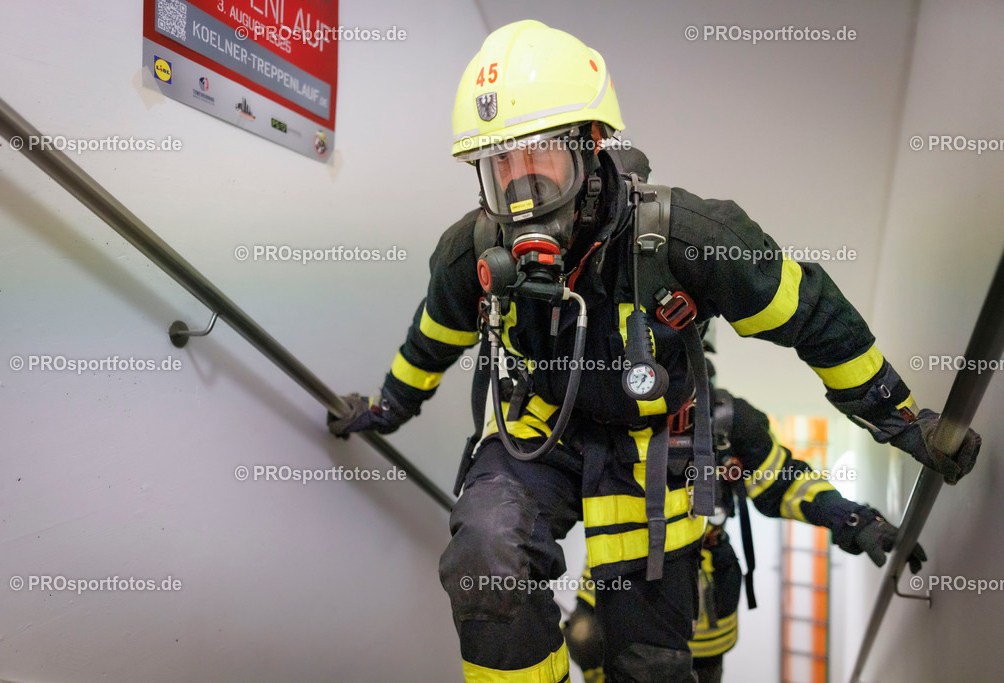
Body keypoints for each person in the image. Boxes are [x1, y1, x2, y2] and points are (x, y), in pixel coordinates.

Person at [327, 20, 980, 682]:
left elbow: (811, 315)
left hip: (651, 456)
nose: (522, 193)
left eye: (540, 157)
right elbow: (433, 340)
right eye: (501, 167)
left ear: (591, 143)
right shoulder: (472, 250)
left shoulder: (690, 240)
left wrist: (903, 422)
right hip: (541, 432)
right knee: (486, 551)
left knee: (646, 665)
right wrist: (385, 409)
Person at [563, 375, 928, 683]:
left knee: (684, 667)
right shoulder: (605, 411)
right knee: (587, 639)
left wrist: (853, 519)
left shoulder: (726, 422)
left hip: (705, 580)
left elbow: (782, 481)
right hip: (620, 554)